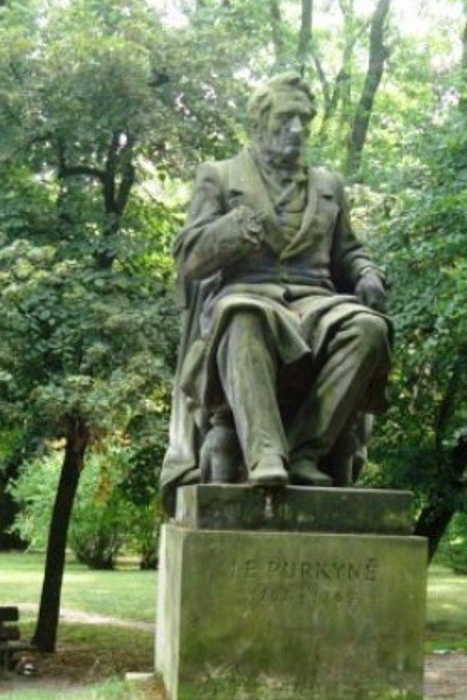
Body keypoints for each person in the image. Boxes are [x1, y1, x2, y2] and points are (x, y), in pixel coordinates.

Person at [160, 74, 391, 499]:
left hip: (318, 304)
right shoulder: (221, 175)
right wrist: (232, 230)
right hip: (247, 294)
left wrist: (366, 274)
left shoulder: (328, 186)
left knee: (370, 329)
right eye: (286, 118)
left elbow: (348, 251)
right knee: (243, 315)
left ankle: (305, 449)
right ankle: (264, 451)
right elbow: (190, 259)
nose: (298, 129)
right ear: (259, 123)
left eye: (304, 119)